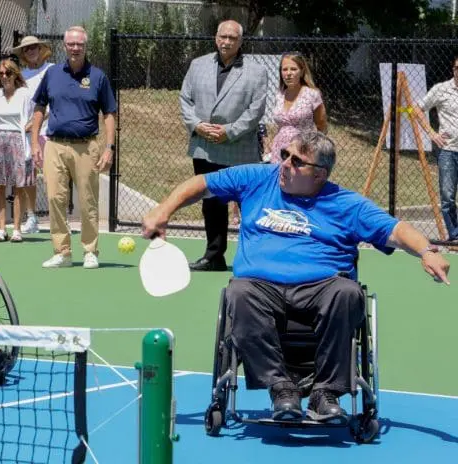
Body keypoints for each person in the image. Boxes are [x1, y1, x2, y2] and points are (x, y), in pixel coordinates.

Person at [142, 131, 450, 423]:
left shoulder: (346, 204)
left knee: (347, 293)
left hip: (322, 288)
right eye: (285, 154)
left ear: (319, 174)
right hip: (259, 288)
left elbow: (395, 230)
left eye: (296, 161)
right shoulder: (258, 179)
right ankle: (281, 388)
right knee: (239, 292)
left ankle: (326, 393)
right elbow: (202, 183)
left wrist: (427, 251)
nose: (285, 164)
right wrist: (163, 210)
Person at [179, 19, 267, 272]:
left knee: (248, 204)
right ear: (215, 38)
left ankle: (257, 258)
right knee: (211, 203)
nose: (227, 42)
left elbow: (256, 109)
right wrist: (196, 125)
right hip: (205, 147)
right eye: (223, 37)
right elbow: (185, 98)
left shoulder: (256, 71)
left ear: (241, 41)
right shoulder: (198, 65)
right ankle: (214, 256)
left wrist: (230, 132)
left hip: (239, 147)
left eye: (233, 38)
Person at [31, 25, 117, 269]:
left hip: (86, 147)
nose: (75, 48)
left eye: (80, 44)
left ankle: (90, 251)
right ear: (64, 46)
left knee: (88, 201)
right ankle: (62, 252)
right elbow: (39, 108)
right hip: (54, 145)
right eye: (71, 44)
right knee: (54, 198)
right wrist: (35, 142)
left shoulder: (98, 77)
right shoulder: (52, 74)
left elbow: (109, 114)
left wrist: (109, 147)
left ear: (85, 46)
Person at [0, 59, 35, 243]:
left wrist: (29, 126)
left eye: (8, 73)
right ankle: (2, 229)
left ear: (15, 74)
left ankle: (17, 229)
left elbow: (42, 111)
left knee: (19, 186)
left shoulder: (24, 94)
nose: (4, 77)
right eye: (1, 74)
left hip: (18, 141)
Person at [12, 35, 55, 235]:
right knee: (29, 177)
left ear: (41, 49)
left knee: (52, 176)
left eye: (34, 47)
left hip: (49, 131)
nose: (31, 51)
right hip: (26, 134)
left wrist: (37, 122)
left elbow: (53, 103)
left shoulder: (52, 70)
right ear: (23, 53)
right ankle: (32, 217)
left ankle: (57, 217)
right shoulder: (21, 76)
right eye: (27, 49)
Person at [414, 56, 458, 240]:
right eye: (457, 67)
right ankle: (455, 235)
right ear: (453, 69)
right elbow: (417, 108)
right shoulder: (441, 89)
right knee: (447, 196)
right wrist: (432, 134)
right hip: (448, 151)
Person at [263, 52, 327, 163]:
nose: (288, 73)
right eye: (284, 69)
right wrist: (271, 143)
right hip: (279, 151)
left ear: (302, 71)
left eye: (293, 69)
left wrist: (312, 148)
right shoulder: (279, 94)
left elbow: (321, 125)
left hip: (302, 151)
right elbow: (281, 126)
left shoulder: (312, 94)